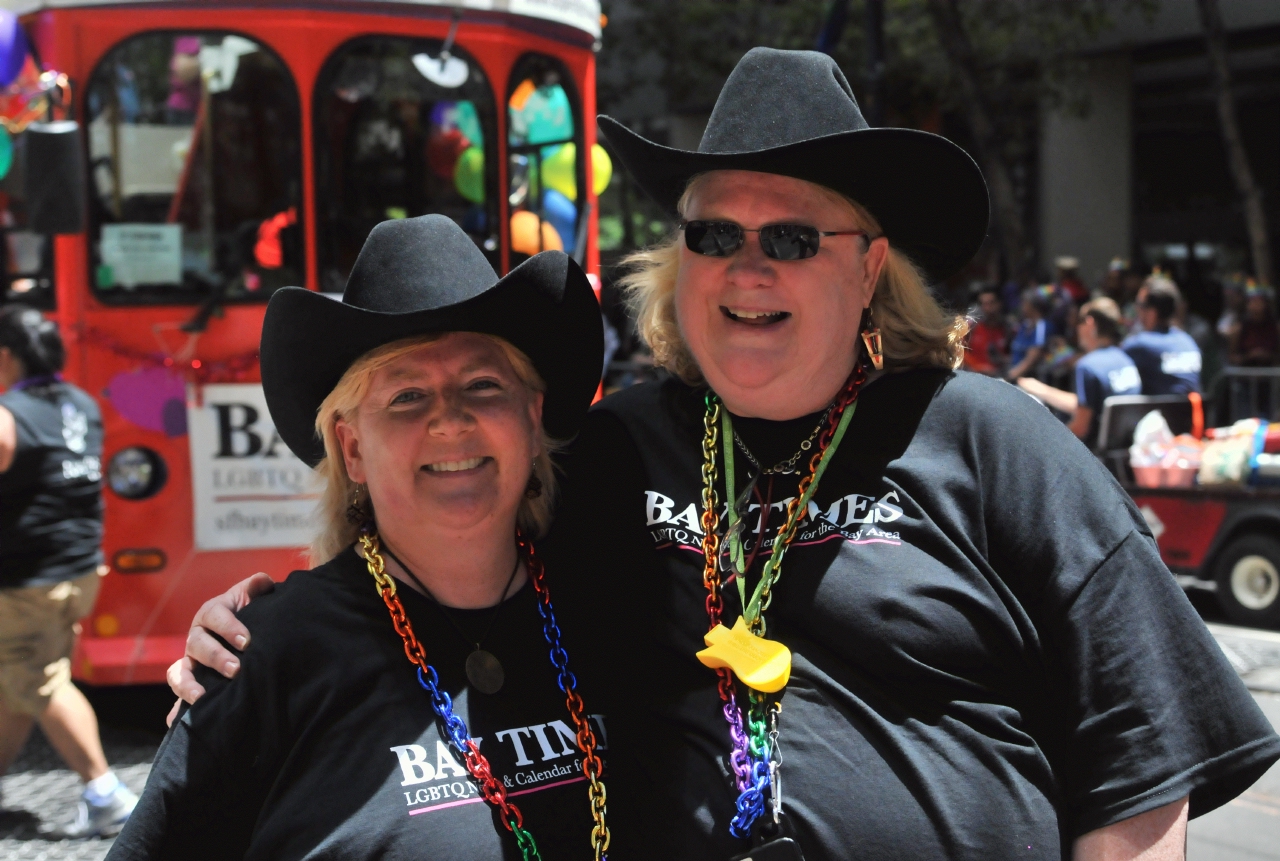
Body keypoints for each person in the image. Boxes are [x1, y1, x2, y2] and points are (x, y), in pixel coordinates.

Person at [172, 49, 1280, 861]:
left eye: (791, 237)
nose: (746, 268)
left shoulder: (992, 441)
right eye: (712, 234)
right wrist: (253, 637)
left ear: (868, 269)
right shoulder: (614, 450)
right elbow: (436, 535)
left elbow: (1137, 779)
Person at [107, 216, 608, 860]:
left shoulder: (613, 601)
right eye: (405, 396)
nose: (450, 420)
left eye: (483, 385)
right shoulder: (270, 654)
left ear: (532, 418)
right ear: (352, 449)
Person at [0, 305, 139, 838]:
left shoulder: (10, 415)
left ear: (7, 356)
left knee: (40, 679)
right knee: (16, 680)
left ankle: (105, 793)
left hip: (27, 578)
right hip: (78, 570)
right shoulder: (80, 403)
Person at [1017, 298, 1141, 447]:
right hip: (1123, 451)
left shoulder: (1087, 366)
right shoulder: (1126, 360)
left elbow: (1080, 428)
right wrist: (1041, 389)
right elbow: (1088, 405)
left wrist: (1045, 442)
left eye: (1079, 322)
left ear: (1089, 323)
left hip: (1095, 456)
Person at [1122, 275, 1202, 395]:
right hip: (1190, 413)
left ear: (1152, 313)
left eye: (1139, 304)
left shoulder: (1139, 345)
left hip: (1159, 413)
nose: (1136, 309)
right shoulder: (1188, 341)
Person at [1006, 285, 1053, 380]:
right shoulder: (1025, 325)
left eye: (1024, 303)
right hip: (1014, 373)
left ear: (1033, 306)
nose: (1021, 306)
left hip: (1029, 380)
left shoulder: (1042, 326)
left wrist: (1008, 377)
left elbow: (1032, 358)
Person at [962, 285, 1009, 376]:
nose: (987, 308)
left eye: (991, 303)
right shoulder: (971, 327)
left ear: (999, 304)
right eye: (984, 304)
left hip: (1000, 377)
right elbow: (960, 351)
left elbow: (1014, 355)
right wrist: (978, 367)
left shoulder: (1008, 328)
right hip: (974, 375)